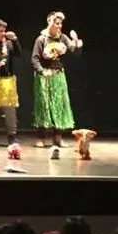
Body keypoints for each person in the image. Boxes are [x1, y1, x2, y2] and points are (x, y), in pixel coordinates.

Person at [31, 11, 83, 148]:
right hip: (44, 77)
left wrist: (76, 41)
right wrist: (42, 71)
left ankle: (57, 137)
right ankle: (41, 137)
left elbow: (75, 52)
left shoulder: (63, 38)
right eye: (57, 23)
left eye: (61, 24)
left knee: (59, 106)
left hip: (58, 76)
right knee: (44, 107)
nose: (59, 26)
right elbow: (34, 59)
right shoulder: (41, 39)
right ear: (49, 22)